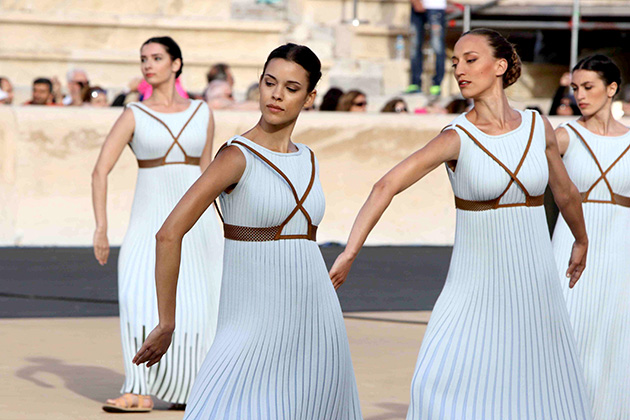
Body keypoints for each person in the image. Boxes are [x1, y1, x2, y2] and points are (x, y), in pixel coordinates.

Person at [329, 28, 592, 419]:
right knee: (438, 379)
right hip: (473, 286)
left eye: (470, 60)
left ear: (500, 66)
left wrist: (581, 240)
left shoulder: (538, 127)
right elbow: (386, 185)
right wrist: (350, 251)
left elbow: (566, 191)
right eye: (455, 62)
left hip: (534, 283)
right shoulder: (456, 137)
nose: (459, 70)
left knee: (535, 385)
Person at [132, 43, 363, 420]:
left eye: (291, 88)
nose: (276, 94)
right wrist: (167, 322)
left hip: (317, 319)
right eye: (270, 82)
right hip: (251, 320)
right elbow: (168, 234)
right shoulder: (236, 156)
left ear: (309, 97)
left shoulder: (309, 158)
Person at [92, 36, 223, 413]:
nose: (148, 65)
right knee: (137, 297)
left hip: (198, 223)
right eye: (143, 59)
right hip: (146, 222)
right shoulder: (133, 113)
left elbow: (209, 172)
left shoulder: (202, 111)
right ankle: (138, 388)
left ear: (176, 63)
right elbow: (100, 171)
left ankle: (192, 389)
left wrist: (225, 224)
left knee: (199, 306)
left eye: (157, 57)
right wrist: (101, 227)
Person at [552, 54, 630, 420]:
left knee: (614, 340)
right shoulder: (564, 136)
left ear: (611, 88)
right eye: (575, 88)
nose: (579, 95)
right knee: (567, 336)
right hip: (570, 251)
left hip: (621, 252)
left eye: (588, 87)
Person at [406, 0, 446, 96]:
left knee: (438, 46)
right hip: (417, 7)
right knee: (415, 46)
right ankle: (415, 82)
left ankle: (437, 84)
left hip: (436, 7)